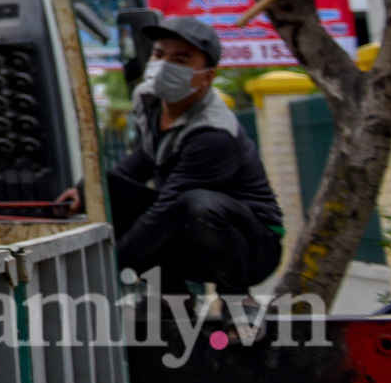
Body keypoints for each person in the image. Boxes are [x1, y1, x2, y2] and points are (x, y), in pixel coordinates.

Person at [107, 15, 283, 294]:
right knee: (111, 189)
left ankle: (237, 301)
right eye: (159, 54)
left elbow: (165, 211)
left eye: (180, 60)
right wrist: (83, 193)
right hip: (190, 235)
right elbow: (144, 159)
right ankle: (173, 296)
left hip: (253, 246)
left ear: (207, 76)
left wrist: (112, 265)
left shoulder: (213, 134)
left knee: (195, 204)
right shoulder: (149, 100)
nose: (164, 66)